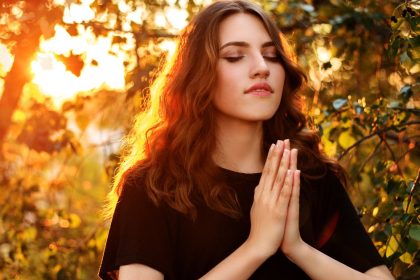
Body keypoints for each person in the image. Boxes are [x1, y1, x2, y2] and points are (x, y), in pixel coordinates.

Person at [99, 0, 394, 279]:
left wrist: (298, 249)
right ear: (199, 75)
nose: (261, 67)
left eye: (271, 55)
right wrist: (256, 248)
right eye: (234, 56)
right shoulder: (154, 186)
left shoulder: (311, 177)